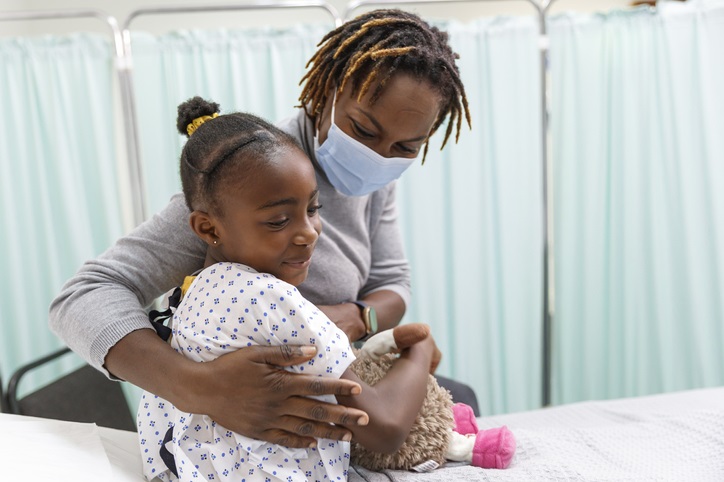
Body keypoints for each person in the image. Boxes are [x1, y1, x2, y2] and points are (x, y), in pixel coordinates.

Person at [49, 8, 477, 449]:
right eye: (363, 130)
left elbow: (393, 282)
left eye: (406, 146)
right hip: (254, 428)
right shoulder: (251, 180)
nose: (379, 156)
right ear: (326, 91)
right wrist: (195, 386)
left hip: (336, 383)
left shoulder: (375, 180)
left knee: (461, 400)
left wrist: (355, 316)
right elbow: (82, 297)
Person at [138, 97, 437, 481]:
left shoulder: (184, 300)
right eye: (279, 221)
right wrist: (421, 350)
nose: (309, 233)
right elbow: (385, 427)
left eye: (314, 209)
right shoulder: (271, 300)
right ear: (208, 229)